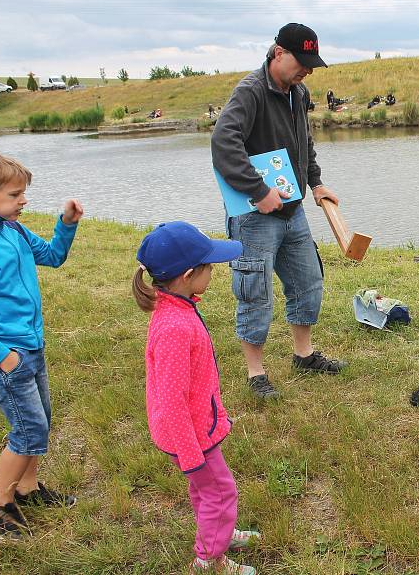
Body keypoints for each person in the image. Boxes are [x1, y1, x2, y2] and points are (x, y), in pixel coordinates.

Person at [211, 22, 347, 400]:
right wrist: (257, 191)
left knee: (308, 282)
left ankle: (303, 355)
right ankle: (256, 372)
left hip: (293, 212)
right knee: (255, 292)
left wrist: (316, 183)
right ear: (278, 53)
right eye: (301, 61)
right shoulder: (250, 92)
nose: (307, 69)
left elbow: (305, 142)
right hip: (256, 217)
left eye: (311, 63)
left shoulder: (298, 92)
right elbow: (224, 143)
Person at [133, 221, 258, 575]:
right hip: (190, 436)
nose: (213, 273)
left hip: (195, 427)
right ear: (188, 275)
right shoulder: (175, 326)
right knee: (220, 491)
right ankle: (209, 560)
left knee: (206, 491)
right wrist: (191, 454)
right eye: (209, 268)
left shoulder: (178, 306)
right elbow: (172, 401)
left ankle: (219, 530)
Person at [0, 152, 83, 540]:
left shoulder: (16, 231)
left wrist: (67, 225)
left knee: (38, 420)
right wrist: (0, 355)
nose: (23, 201)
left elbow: (54, 257)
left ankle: (27, 489)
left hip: (31, 348)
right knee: (29, 430)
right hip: (5, 355)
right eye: (14, 195)